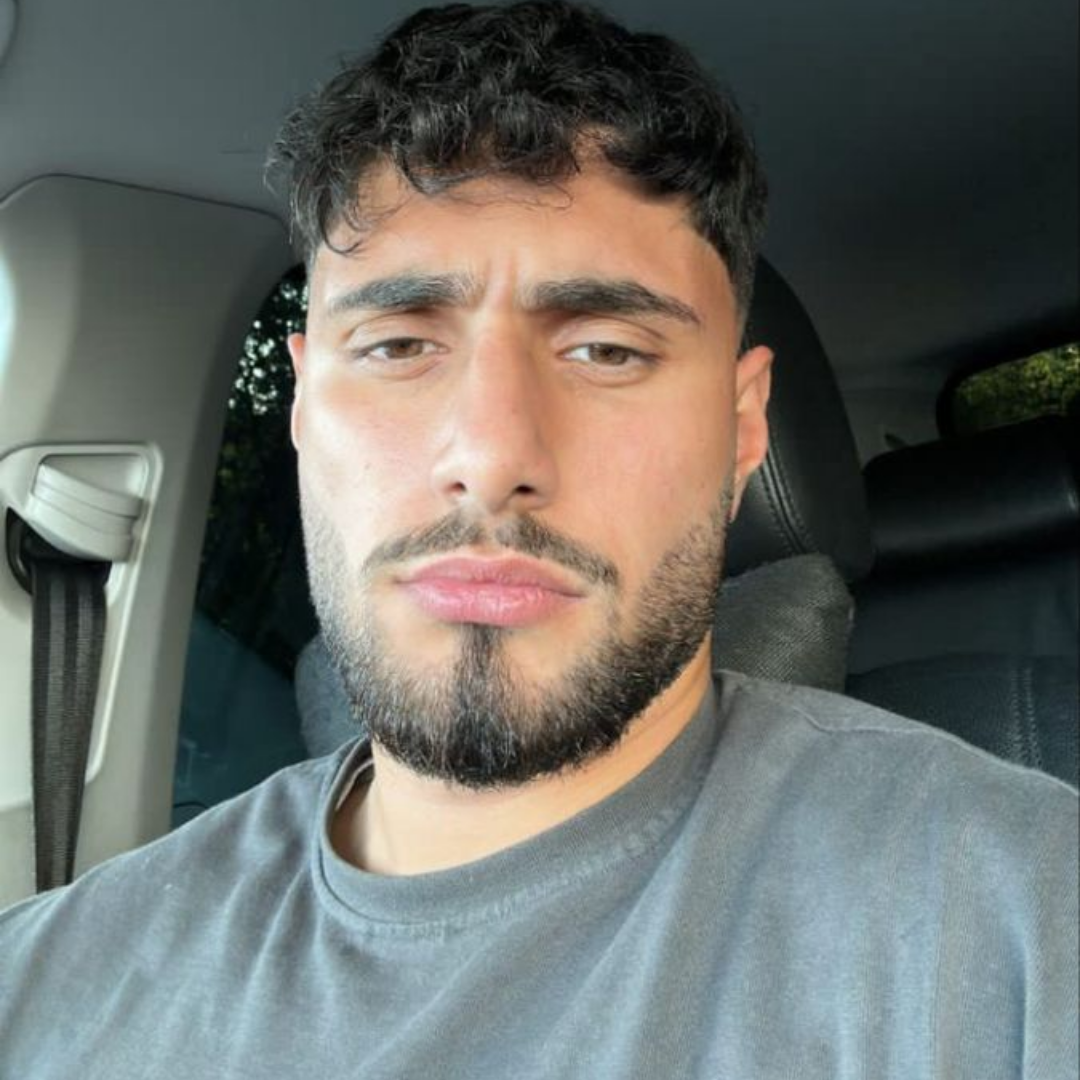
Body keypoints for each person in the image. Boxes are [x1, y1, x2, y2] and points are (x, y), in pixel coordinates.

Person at [1, 2, 1076, 1077]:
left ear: (743, 428)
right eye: (398, 344)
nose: (491, 454)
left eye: (608, 350)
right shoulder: (42, 979)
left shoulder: (1023, 921)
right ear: (302, 408)